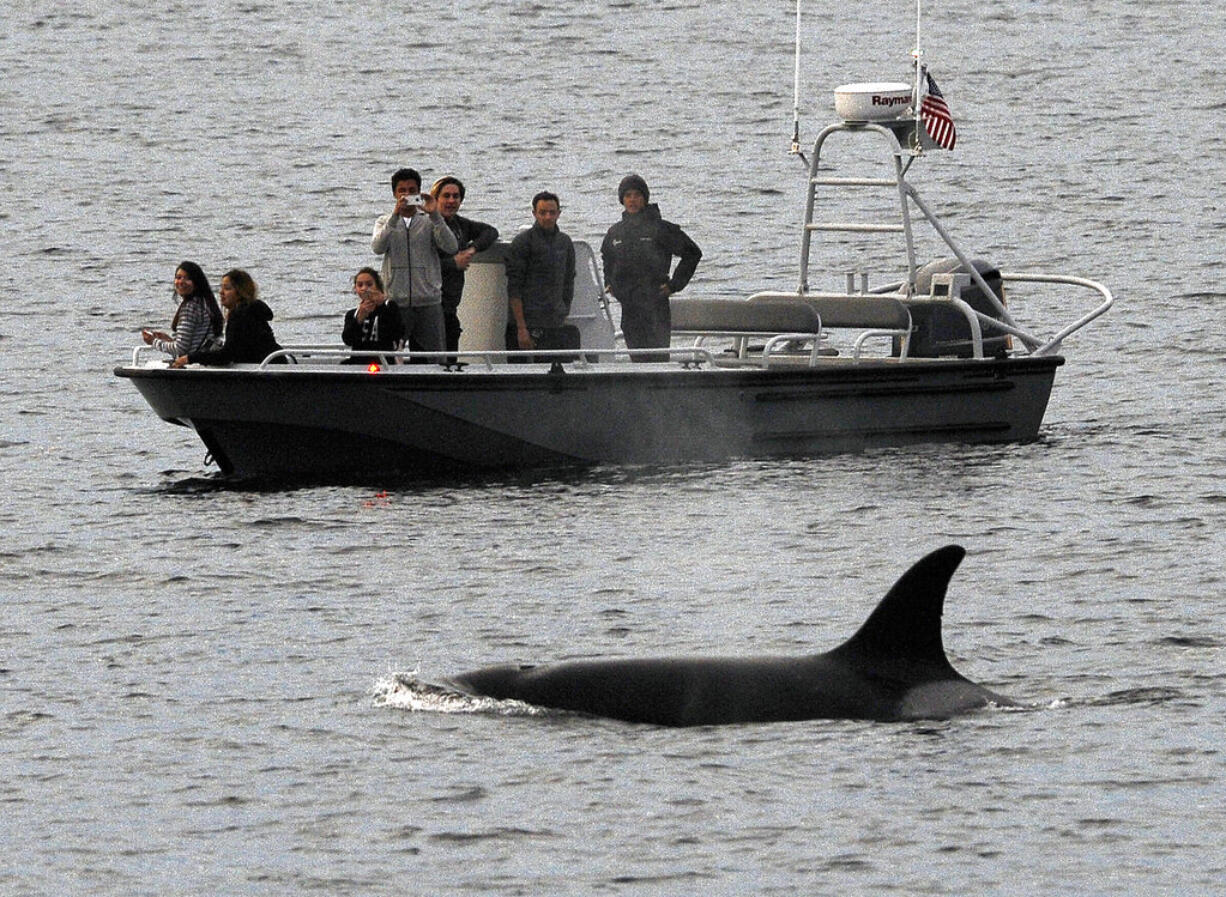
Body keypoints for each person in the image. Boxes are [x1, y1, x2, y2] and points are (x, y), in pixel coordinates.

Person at [600, 174, 702, 361]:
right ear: (622, 199)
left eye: (637, 195)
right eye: (628, 195)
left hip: (655, 304)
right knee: (636, 360)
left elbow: (692, 253)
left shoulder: (661, 228)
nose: (632, 200)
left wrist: (674, 285)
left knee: (657, 361)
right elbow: (607, 257)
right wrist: (610, 283)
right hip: (629, 306)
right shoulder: (615, 232)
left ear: (645, 198)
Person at [371, 167, 459, 357]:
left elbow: (451, 247)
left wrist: (435, 215)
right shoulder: (385, 221)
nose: (407, 195)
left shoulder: (430, 221)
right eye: (402, 191)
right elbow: (377, 247)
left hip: (429, 302)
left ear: (419, 192)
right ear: (394, 193)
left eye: (412, 191)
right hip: (395, 302)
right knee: (391, 356)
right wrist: (395, 217)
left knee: (435, 358)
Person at [431, 176, 500, 353]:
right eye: (446, 196)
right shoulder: (425, 225)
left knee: (451, 350)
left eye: (456, 196)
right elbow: (419, 265)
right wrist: (452, 263)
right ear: (436, 198)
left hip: (450, 305)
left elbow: (490, 232)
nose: (451, 201)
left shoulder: (460, 224)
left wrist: (471, 250)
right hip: (428, 305)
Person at [505, 191, 576, 359]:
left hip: (555, 324)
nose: (548, 217)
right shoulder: (522, 242)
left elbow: (568, 280)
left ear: (559, 213)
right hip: (526, 324)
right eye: (543, 212)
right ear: (534, 214)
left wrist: (564, 310)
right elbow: (514, 288)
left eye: (552, 212)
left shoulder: (565, 242)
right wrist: (521, 329)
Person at [171, 269, 281, 367]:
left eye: (227, 288)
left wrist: (190, 358)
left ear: (240, 292)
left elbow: (226, 356)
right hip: (276, 362)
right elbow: (234, 349)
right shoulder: (249, 311)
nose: (221, 292)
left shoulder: (241, 315)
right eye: (221, 288)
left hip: (271, 367)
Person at [142, 261, 224, 359]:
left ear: (197, 282)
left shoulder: (190, 308)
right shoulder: (204, 303)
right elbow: (191, 343)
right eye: (178, 278)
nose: (181, 282)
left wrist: (153, 341)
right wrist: (168, 340)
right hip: (205, 359)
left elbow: (181, 349)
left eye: (188, 278)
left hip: (195, 366)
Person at [342, 267, 405, 365]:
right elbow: (348, 340)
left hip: (385, 362)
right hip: (358, 362)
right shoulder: (352, 314)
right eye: (360, 285)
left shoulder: (390, 307)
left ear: (378, 286)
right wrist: (358, 319)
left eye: (369, 284)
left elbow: (397, 333)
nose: (364, 289)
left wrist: (381, 306)